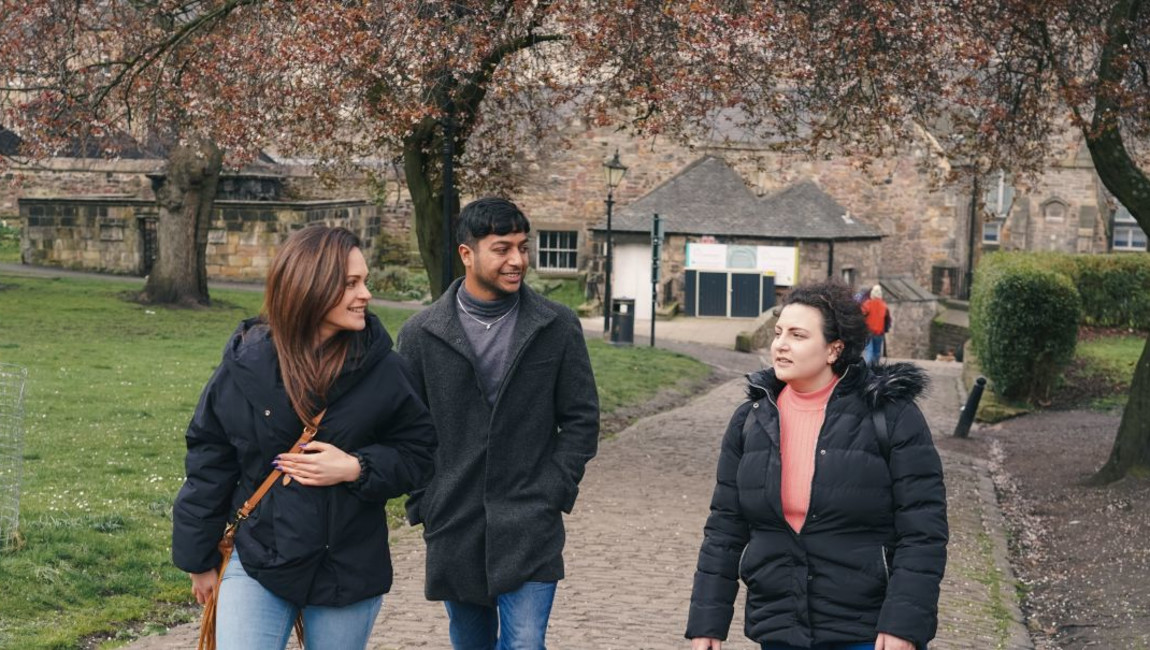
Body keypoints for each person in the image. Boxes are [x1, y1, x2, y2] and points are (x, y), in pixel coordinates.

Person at [172, 225, 437, 650]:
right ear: (309, 286)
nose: (365, 294)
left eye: (364, 280)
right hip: (258, 557)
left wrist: (356, 467)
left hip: (347, 568)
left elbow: (422, 454)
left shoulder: (387, 370)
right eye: (351, 283)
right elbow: (210, 460)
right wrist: (197, 557)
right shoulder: (246, 364)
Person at [686, 279, 947, 650]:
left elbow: (923, 530)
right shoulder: (751, 420)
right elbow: (725, 529)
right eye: (778, 333)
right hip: (779, 625)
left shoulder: (891, 417)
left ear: (833, 349)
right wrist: (707, 623)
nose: (780, 345)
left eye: (797, 335)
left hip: (866, 630)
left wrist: (904, 624)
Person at [397, 197, 599, 650]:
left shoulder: (558, 325)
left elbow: (582, 419)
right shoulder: (420, 334)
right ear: (467, 254)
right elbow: (406, 430)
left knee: (525, 643)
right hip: (455, 523)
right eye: (502, 248)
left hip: (530, 521)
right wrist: (425, 504)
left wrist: (555, 488)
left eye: (523, 248)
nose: (517, 260)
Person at [861, 284, 890, 365]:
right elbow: (887, 319)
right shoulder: (884, 305)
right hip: (879, 332)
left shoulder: (867, 304)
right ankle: (875, 369)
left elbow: (862, 314)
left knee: (869, 351)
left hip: (869, 332)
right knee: (877, 352)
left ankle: (867, 369)